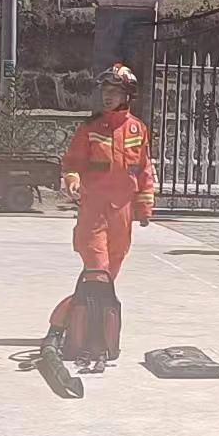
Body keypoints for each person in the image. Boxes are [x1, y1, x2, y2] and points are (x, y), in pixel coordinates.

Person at [57, 63, 154, 294]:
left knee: (113, 264)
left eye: (114, 92)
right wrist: (72, 180)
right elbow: (72, 162)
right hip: (94, 208)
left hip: (122, 210)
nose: (107, 96)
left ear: (127, 95)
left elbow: (144, 169)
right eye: (105, 91)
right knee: (97, 264)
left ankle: (90, 310)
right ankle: (84, 308)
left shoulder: (138, 129)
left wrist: (144, 206)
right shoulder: (90, 127)